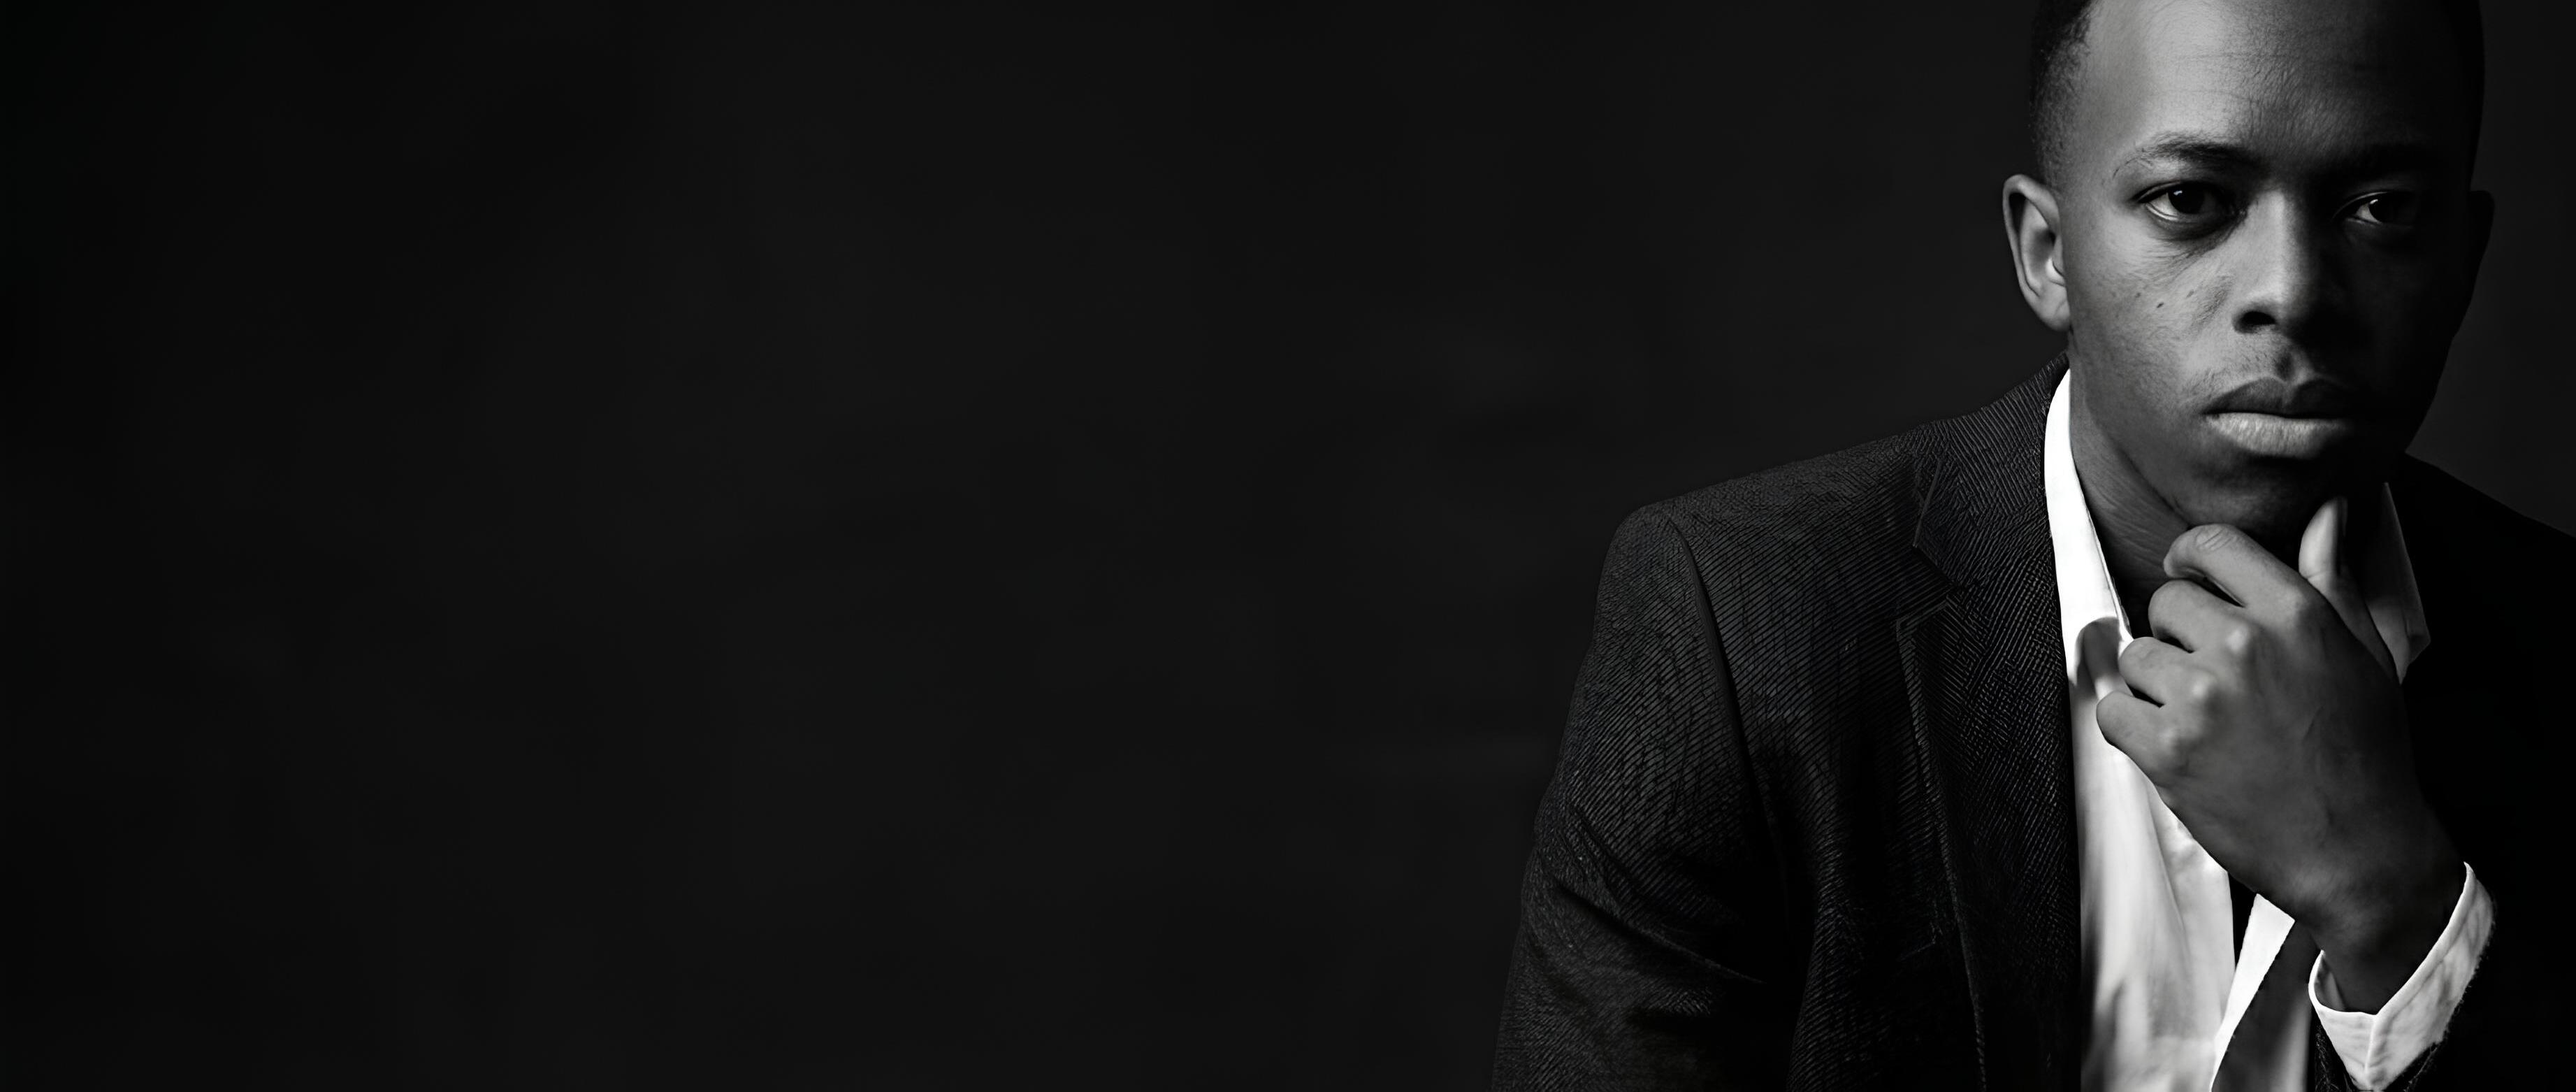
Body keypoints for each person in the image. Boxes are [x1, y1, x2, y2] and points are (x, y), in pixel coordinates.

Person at [1491, 0, 2569, 1087]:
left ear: (2464, 260)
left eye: (2383, 208)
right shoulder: (1744, 626)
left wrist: (2391, 905)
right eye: (2189, 201)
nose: (2290, 291)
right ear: (2048, 253)